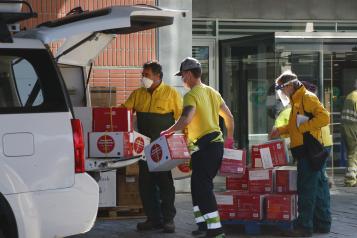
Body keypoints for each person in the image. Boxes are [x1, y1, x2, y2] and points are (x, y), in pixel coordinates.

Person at [161, 57, 235, 238]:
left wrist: (169, 131)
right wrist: (229, 138)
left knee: (203, 187)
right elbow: (229, 117)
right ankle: (202, 225)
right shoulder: (213, 92)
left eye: (182, 76)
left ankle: (216, 229)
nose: (182, 80)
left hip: (206, 146)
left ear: (187, 74)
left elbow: (186, 118)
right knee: (196, 186)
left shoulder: (191, 95)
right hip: (213, 145)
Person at [122, 61, 182, 233]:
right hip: (144, 147)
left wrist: (182, 143)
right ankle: (153, 219)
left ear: (157, 76)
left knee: (165, 183)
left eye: (147, 75)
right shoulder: (137, 94)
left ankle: (168, 220)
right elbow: (124, 111)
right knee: (145, 184)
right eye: (143, 74)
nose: (143, 78)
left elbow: (181, 119)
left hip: (163, 146)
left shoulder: (171, 93)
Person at [270, 71, 331, 237]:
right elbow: (294, 127)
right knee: (318, 188)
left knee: (306, 189)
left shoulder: (307, 98)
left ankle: (304, 227)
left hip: (308, 151)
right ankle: (322, 224)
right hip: (304, 150)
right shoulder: (296, 100)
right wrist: (280, 131)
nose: (281, 93)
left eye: (282, 89)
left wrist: (303, 128)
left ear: (289, 86)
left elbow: (324, 118)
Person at [301, 81, 334, 188]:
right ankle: (322, 196)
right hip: (321, 142)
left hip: (319, 143)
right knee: (319, 173)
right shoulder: (312, 102)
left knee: (317, 176)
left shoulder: (309, 103)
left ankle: (322, 197)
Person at [341, 81, 357, 187]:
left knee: (352, 153)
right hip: (353, 128)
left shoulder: (350, 96)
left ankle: (351, 178)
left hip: (346, 128)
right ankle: (351, 180)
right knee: (353, 154)